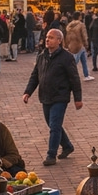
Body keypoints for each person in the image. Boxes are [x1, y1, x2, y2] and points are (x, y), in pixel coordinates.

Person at [22, 28, 82, 167]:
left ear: (59, 41)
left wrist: (77, 98)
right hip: (45, 96)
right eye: (47, 37)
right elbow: (35, 76)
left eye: (51, 37)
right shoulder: (42, 55)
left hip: (60, 96)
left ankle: (51, 155)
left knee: (54, 126)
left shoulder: (66, 57)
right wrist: (27, 92)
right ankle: (67, 146)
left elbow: (74, 78)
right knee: (53, 124)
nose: (48, 40)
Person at [65, 11, 93, 81]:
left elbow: (67, 36)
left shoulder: (69, 25)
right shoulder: (81, 25)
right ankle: (68, 75)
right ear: (79, 17)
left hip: (72, 44)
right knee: (75, 62)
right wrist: (86, 44)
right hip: (80, 44)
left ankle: (86, 74)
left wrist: (67, 45)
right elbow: (84, 35)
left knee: (83, 60)